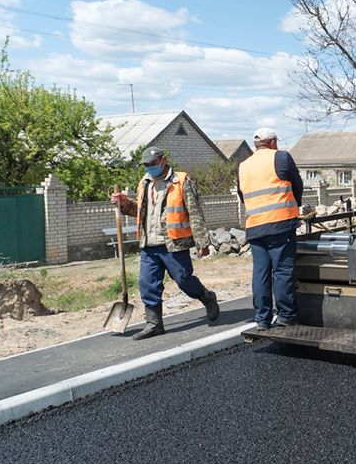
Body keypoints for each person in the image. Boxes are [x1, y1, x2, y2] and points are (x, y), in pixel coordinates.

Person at [110, 147, 218, 340]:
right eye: (146, 165)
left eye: (152, 164)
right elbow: (139, 210)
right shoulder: (144, 183)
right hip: (149, 244)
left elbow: (194, 212)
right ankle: (154, 324)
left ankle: (207, 297)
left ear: (163, 160)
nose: (149, 168)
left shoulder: (181, 180)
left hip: (174, 243)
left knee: (184, 280)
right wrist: (124, 203)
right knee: (147, 283)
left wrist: (202, 241)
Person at [237, 128, 304, 330]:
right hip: (280, 224)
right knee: (283, 271)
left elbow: (243, 196)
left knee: (261, 272)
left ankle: (262, 319)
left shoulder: (243, 166)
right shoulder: (281, 158)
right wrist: (296, 204)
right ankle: (286, 315)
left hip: (255, 226)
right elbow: (297, 184)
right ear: (273, 142)